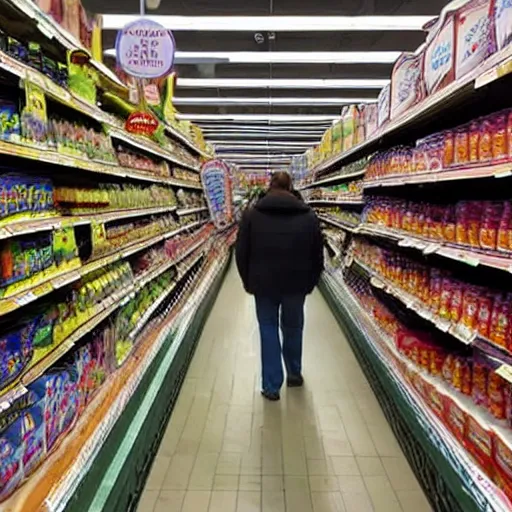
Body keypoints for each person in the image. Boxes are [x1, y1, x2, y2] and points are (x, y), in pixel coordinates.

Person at [235, 171, 324, 401]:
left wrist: (247, 280)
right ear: (291, 187)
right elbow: (318, 255)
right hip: (296, 284)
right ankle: (294, 373)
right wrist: (311, 282)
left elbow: (241, 252)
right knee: (294, 327)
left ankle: (272, 385)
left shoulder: (252, 215)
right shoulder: (309, 217)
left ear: (269, 186)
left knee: (268, 328)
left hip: (263, 285)